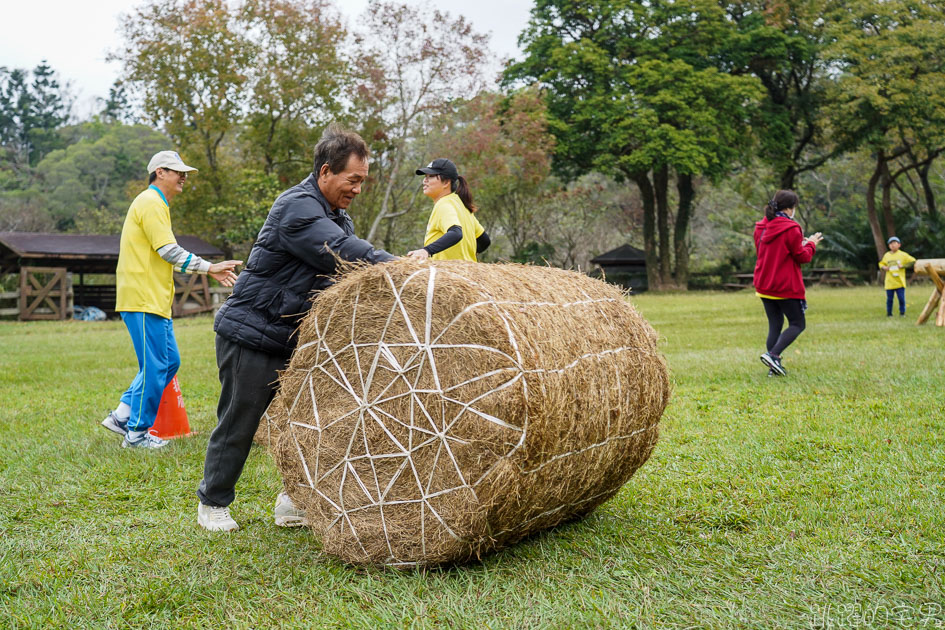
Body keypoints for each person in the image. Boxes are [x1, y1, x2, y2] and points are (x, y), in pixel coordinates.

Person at [196, 124, 396, 532]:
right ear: (325, 172)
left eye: (363, 181)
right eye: (352, 180)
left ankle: (292, 501)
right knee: (240, 420)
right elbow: (339, 254)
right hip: (253, 333)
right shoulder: (298, 208)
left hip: (296, 341)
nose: (358, 188)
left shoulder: (339, 217)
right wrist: (395, 264)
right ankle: (213, 502)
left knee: (309, 424)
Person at [102, 151, 242, 448]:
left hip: (153, 300)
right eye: (177, 171)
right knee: (155, 366)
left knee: (168, 362)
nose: (184, 176)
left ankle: (122, 414)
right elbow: (168, 250)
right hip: (141, 299)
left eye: (184, 171)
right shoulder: (150, 202)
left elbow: (165, 254)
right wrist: (209, 267)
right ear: (160, 172)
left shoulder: (157, 204)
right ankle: (137, 434)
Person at [752, 189, 823, 377]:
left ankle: (773, 368)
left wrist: (801, 244)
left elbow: (771, 252)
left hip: (764, 284)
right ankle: (773, 355)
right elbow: (802, 257)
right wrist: (811, 243)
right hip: (784, 285)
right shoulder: (791, 227)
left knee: (775, 324)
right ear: (791, 208)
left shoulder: (761, 226)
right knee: (797, 324)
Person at [406, 158, 490, 262]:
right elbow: (485, 241)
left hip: (448, 273)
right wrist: (465, 255)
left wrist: (426, 251)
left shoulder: (443, 204)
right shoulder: (461, 204)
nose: (424, 180)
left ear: (446, 182)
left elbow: (456, 233)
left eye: (431, 176)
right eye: (425, 176)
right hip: (467, 273)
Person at [878, 236, 916, 317]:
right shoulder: (887, 255)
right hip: (889, 282)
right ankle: (889, 314)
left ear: (899, 245)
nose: (893, 245)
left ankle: (902, 313)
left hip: (900, 282)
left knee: (901, 299)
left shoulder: (903, 255)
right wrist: (884, 267)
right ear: (889, 246)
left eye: (895, 243)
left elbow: (913, 261)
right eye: (891, 244)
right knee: (889, 299)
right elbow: (881, 263)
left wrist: (903, 266)